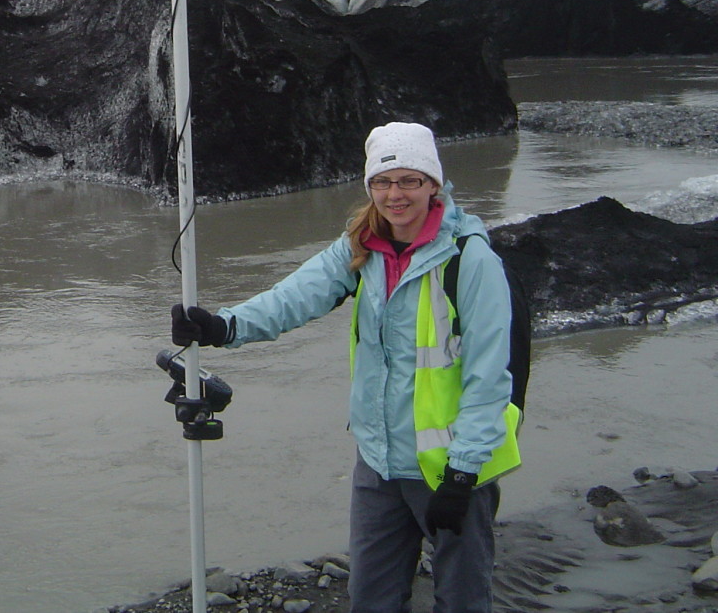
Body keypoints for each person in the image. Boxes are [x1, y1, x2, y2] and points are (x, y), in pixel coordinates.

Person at [171, 121, 520, 613]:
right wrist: (223, 327)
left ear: (433, 185)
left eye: (409, 180)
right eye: (382, 182)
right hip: (378, 464)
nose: (394, 195)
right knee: (371, 601)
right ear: (369, 187)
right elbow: (294, 296)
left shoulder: (469, 260)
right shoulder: (361, 245)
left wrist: (463, 474)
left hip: (451, 471)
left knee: (462, 601)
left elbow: (489, 377)